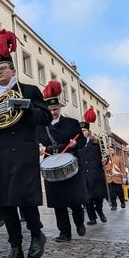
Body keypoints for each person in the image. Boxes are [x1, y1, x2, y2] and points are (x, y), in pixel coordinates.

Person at [0, 30, 50, 258]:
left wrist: (27, 108)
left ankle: (36, 235)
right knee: (4, 201)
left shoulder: (29, 91)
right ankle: (15, 246)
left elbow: (45, 117)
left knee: (24, 198)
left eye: (3, 69)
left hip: (22, 152)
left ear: (13, 70)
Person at [39, 81, 88, 242]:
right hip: (50, 162)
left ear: (60, 108)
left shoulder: (72, 123)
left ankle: (79, 223)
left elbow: (81, 141)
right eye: (50, 110)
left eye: (55, 109)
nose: (53, 112)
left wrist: (76, 143)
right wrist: (39, 148)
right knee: (58, 202)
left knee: (74, 199)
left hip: (70, 161)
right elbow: (36, 142)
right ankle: (64, 232)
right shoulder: (40, 127)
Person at [78, 108, 108, 225]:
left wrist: (105, 160)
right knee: (87, 198)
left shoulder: (96, 142)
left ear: (88, 132)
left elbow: (104, 155)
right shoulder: (78, 144)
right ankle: (92, 218)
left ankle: (100, 211)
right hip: (84, 174)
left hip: (96, 174)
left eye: (85, 130)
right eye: (81, 130)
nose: (83, 132)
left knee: (98, 196)